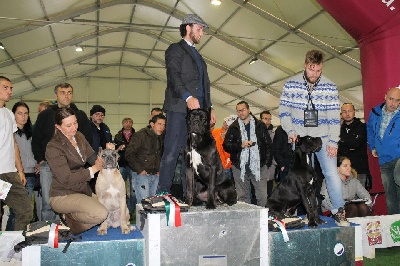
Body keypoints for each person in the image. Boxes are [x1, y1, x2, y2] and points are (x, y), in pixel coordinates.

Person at [278, 50, 349, 226]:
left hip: (323, 138)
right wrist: (290, 131)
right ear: (305, 65)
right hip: (300, 138)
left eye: (318, 71)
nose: (315, 74)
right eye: (311, 70)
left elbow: (333, 116)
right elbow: (284, 112)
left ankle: (339, 211)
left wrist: (333, 141)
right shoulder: (291, 84)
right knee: (299, 177)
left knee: (331, 174)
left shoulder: (330, 86)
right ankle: (303, 212)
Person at [158, 14, 216, 194]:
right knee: (171, 153)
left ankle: (188, 194)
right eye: (199, 29)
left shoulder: (199, 57)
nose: (202, 33)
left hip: (198, 115)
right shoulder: (175, 49)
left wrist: (210, 108)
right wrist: (187, 96)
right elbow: (173, 76)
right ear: (188, 28)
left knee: (190, 156)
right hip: (178, 109)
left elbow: (205, 85)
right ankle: (162, 193)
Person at [32, 82, 92, 221]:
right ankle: (49, 234)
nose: (66, 95)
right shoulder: (45, 115)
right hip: (48, 166)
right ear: (56, 95)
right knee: (48, 203)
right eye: (62, 92)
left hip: (72, 168)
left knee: (71, 200)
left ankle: (69, 230)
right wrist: (41, 160)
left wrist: (83, 162)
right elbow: (36, 139)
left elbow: (87, 140)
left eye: (69, 92)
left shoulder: (81, 116)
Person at [46, 107, 108, 235]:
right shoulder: (53, 147)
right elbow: (66, 179)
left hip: (82, 190)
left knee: (109, 209)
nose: (74, 128)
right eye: (68, 125)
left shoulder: (79, 136)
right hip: (62, 195)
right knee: (101, 214)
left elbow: (92, 157)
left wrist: (106, 156)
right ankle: (70, 219)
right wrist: (93, 169)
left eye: (75, 123)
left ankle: (73, 216)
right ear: (58, 127)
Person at [223, 101, 272, 207]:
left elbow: (268, 144)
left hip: (259, 167)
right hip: (239, 168)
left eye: (243, 110)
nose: (241, 113)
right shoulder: (234, 127)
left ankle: (262, 221)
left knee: (262, 197)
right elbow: (226, 146)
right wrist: (239, 145)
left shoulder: (260, 125)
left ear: (249, 110)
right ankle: (247, 221)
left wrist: (266, 163)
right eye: (238, 111)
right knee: (243, 198)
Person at [0, 76, 32, 230]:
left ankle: (17, 248)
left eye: (11, 88)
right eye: (5, 87)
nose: (9, 91)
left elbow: (13, 143)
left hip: (8, 175)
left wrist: (20, 170)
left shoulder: (8, 114)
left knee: (24, 209)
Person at [367, 86, 400, 215]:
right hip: (384, 159)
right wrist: (373, 146)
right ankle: (395, 226)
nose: (393, 103)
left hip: (398, 156)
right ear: (385, 96)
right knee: (391, 198)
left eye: (397, 100)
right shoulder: (375, 112)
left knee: (398, 177)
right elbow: (369, 129)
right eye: (391, 99)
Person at [6, 102, 39, 230]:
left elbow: (34, 152)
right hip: (13, 175)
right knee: (17, 210)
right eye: (19, 113)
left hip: (30, 176)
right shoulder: (9, 134)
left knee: (23, 211)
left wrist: (37, 162)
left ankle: (15, 237)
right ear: (13, 115)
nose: (23, 116)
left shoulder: (31, 134)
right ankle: (10, 237)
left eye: (26, 113)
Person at [125, 114, 166, 203]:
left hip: (155, 175)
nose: (161, 127)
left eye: (163, 125)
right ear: (152, 124)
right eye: (159, 124)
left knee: (154, 204)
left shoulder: (161, 138)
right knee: (143, 204)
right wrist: (140, 170)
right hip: (142, 175)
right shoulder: (140, 135)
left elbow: (161, 155)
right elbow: (129, 153)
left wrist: (159, 169)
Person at [338, 103, 372, 190]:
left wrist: (342, 141)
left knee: (362, 199)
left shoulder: (363, 127)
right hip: (342, 172)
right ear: (341, 114)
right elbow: (338, 147)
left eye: (350, 111)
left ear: (354, 112)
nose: (347, 114)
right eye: (344, 111)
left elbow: (355, 144)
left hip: (360, 169)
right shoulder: (338, 129)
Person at [114, 117, 136, 215]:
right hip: (122, 165)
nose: (128, 124)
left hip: (133, 165)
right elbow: (114, 150)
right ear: (122, 124)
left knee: (133, 189)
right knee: (120, 188)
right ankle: (121, 210)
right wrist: (118, 148)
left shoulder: (137, 136)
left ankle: (130, 211)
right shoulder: (117, 136)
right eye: (126, 122)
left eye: (130, 122)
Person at [212, 115, 237, 179]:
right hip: (213, 165)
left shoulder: (233, 137)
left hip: (225, 168)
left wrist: (224, 140)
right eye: (225, 121)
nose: (225, 124)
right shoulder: (215, 132)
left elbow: (228, 153)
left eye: (228, 124)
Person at [260, 110, 277, 197]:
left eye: (269, 119)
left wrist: (274, 164)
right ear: (260, 119)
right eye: (265, 119)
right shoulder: (255, 132)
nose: (268, 121)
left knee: (268, 192)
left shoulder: (273, 134)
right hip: (258, 168)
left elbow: (275, 150)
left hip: (270, 169)